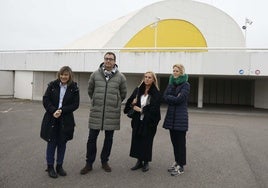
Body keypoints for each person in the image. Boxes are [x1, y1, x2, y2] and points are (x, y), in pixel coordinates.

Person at [80, 52, 127, 175]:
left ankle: (104, 161)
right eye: (106, 59)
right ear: (103, 60)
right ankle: (89, 163)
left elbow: (123, 94)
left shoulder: (121, 77)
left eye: (111, 59)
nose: (108, 61)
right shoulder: (95, 75)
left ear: (115, 61)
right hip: (97, 111)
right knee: (91, 139)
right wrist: (96, 101)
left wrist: (115, 102)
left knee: (108, 139)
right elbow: (90, 90)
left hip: (112, 112)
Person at [40, 66, 80, 178]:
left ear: (70, 76)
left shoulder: (74, 88)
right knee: (51, 143)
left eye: (66, 74)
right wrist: (53, 110)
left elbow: (75, 104)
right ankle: (50, 167)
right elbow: (45, 99)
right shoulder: (52, 85)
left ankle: (59, 166)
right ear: (59, 75)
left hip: (66, 120)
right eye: (62, 74)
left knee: (62, 143)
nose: (63, 76)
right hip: (51, 117)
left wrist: (61, 110)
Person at [124, 71, 161, 172]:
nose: (147, 79)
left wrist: (141, 110)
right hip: (138, 121)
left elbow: (154, 109)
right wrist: (132, 102)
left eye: (149, 77)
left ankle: (146, 162)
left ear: (153, 80)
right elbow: (129, 103)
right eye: (145, 77)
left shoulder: (156, 93)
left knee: (147, 141)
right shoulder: (138, 90)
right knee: (137, 140)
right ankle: (139, 161)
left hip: (149, 122)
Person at [162, 64, 190, 176]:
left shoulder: (186, 84)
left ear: (181, 72)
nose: (174, 72)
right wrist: (173, 97)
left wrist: (172, 98)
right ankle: (177, 162)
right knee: (174, 143)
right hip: (171, 118)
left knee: (180, 143)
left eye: (177, 71)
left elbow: (180, 99)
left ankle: (181, 166)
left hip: (180, 118)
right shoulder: (171, 83)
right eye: (173, 70)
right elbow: (165, 96)